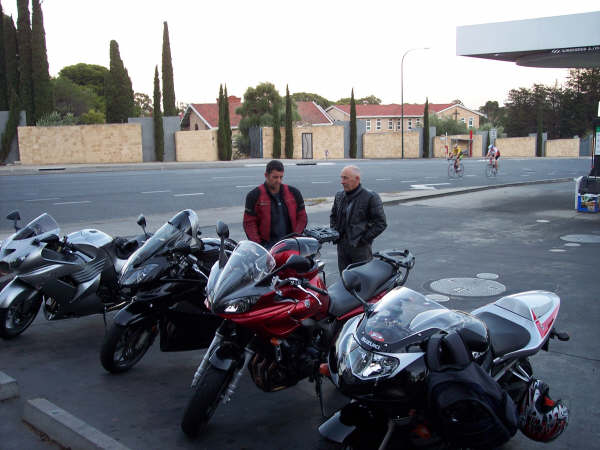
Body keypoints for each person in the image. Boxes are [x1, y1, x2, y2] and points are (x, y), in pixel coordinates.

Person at [330, 165, 387, 274]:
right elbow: (333, 216)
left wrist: (363, 240)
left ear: (357, 179)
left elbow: (381, 223)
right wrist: (335, 233)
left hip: (360, 249)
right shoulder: (339, 195)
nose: (342, 182)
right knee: (344, 278)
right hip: (342, 247)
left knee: (363, 279)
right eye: (341, 178)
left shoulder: (371, 197)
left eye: (345, 178)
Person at [243, 160, 307, 248]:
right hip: (266, 246)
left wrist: (296, 237)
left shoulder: (294, 193)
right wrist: (259, 246)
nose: (279, 181)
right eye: (275, 177)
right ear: (266, 175)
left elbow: (302, 217)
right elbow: (249, 223)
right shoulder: (254, 195)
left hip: (290, 244)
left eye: (281, 177)